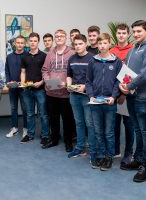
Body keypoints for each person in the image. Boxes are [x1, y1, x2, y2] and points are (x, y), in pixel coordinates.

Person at [119, 20, 146, 182]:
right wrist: (123, 84)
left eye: (139, 31)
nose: (136, 34)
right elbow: (127, 71)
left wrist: (128, 86)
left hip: (145, 97)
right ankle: (138, 159)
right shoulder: (134, 48)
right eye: (134, 32)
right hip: (131, 96)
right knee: (137, 130)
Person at [86, 33, 122, 171]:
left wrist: (114, 96)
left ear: (109, 44)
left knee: (109, 132)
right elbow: (88, 81)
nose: (102, 46)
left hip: (109, 102)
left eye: (105, 43)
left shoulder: (116, 61)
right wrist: (90, 96)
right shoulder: (92, 61)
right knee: (98, 131)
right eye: (100, 43)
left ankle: (109, 157)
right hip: (95, 102)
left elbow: (118, 81)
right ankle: (100, 155)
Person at [42, 29, 75, 152]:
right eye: (57, 36)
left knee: (67, 119)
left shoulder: (71, 53)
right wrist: (47, 80)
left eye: (61, 36)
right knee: (53, 118)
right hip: (51, 92)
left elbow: (74, 72)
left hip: (66, 93)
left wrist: (66, 83)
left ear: (65, 38)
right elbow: (45, 70)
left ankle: (68, 141)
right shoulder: (50, 53)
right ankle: (54, 139)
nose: (59, 38)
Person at [66, 34, 96, 162]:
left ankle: (94, 151)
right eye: (75, 44)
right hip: (74, 96)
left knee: (90, 124)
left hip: (87, 96)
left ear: (85, 44)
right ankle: (80, 147)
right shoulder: (71, 58)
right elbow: (69, 75)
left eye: (80, 44)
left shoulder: (92, 59)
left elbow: (96, 78)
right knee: (78, 123)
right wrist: (68, 85)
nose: (77, 46)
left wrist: (85, 86)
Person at [109, 23, 135, 166]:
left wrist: (124, 93)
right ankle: (115, 150)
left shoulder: (133, 50)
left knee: (129, 125)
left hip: (127, 94)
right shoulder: (112, 50)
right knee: (114, 124)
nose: (121, 35)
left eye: (123, 33)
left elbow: (131, 73)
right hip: (114, 93)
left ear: (128, 34)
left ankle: (128, 153)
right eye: (118, 33)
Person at [20, 32, 50, 147]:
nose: (32, 43)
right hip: (28, 89)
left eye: (35, 41)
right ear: (28, 42)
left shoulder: (44, 56)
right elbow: (23, 72)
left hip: (40, 89)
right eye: (31, 41)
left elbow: (47, 72)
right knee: (30, 114)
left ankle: (45, 135)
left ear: (38, 42)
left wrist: (41, 82)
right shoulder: (24, 56)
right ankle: (30, 134)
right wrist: (23, 84)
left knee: (43, 114)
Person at [5, 35, 28, 139]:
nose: (19, 44)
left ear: (24, 44)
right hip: (13, 87)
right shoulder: (9, 57)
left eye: (22, 43)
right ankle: (14, 128)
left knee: (25, 109)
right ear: (14, 43)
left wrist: (26, 83)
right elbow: (7, 71)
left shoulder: (28, 56)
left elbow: (30, 71)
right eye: (18, 42)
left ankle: (26, 129)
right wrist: (8, 82)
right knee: (13, 108)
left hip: (24, 88)